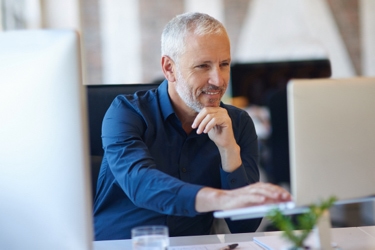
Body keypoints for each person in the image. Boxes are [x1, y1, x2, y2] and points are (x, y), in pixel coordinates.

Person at [93, 12, 291, 240]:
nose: (218, 80)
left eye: (224, 64)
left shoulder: (237, 123)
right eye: (202, 66)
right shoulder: (126, 113)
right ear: (169, 68)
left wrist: (228, 150)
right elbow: (142, 184)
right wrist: (223, 199)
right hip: (122, 244)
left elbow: (244, 226)